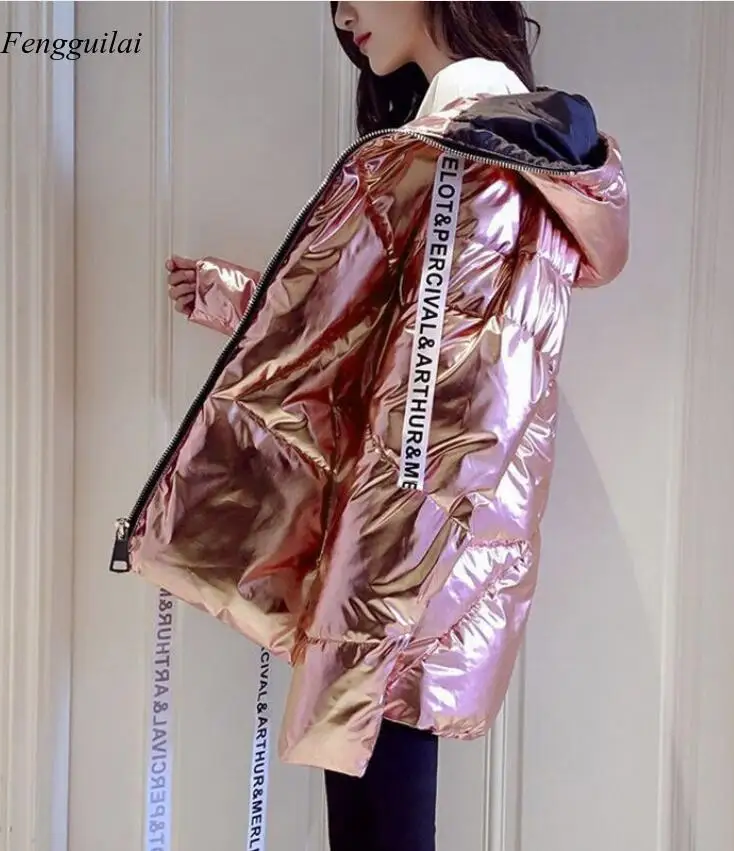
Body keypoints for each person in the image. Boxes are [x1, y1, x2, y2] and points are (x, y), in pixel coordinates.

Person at [112, 2, 629, 849]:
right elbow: (388, 341)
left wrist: (368, 607)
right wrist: (235, 298)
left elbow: (449, 407)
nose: (343, 13)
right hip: (409, 559)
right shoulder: (464, 142)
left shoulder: (478, 154)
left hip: (401, 567)